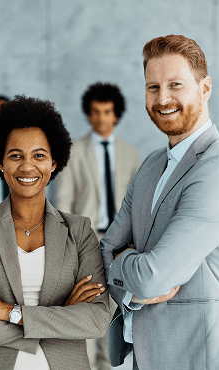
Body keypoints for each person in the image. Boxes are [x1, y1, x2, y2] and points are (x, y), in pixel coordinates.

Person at [100, 34, 219, 370]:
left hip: (197, 357)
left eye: (175, 84)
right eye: (153, 87)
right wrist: (128, 272)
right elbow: (105, 247)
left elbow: (153, 278)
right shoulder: (152, 164)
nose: (163, 98)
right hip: (145, 357)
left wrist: (122, 262)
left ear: (205, 88)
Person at [0, 96, 111, 370]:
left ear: (53, 163)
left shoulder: (79, 231)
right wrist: (60, 319)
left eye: (39, 155)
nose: (27, 166)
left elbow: (96, 319)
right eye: (15, 156)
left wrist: (5, 311)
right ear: (0, 163)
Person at [56, 82, 140, 370]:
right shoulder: (74, 151)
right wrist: (71, 240)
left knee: (114, 311)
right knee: (87, 306)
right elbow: (63, 200)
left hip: (120, 243)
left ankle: (109, 366)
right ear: (88, 115)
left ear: (116, 115)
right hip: (86, 239)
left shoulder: (130, 153)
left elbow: (138, 203)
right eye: (95, 112)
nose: (101, 118)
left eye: (107, 112)